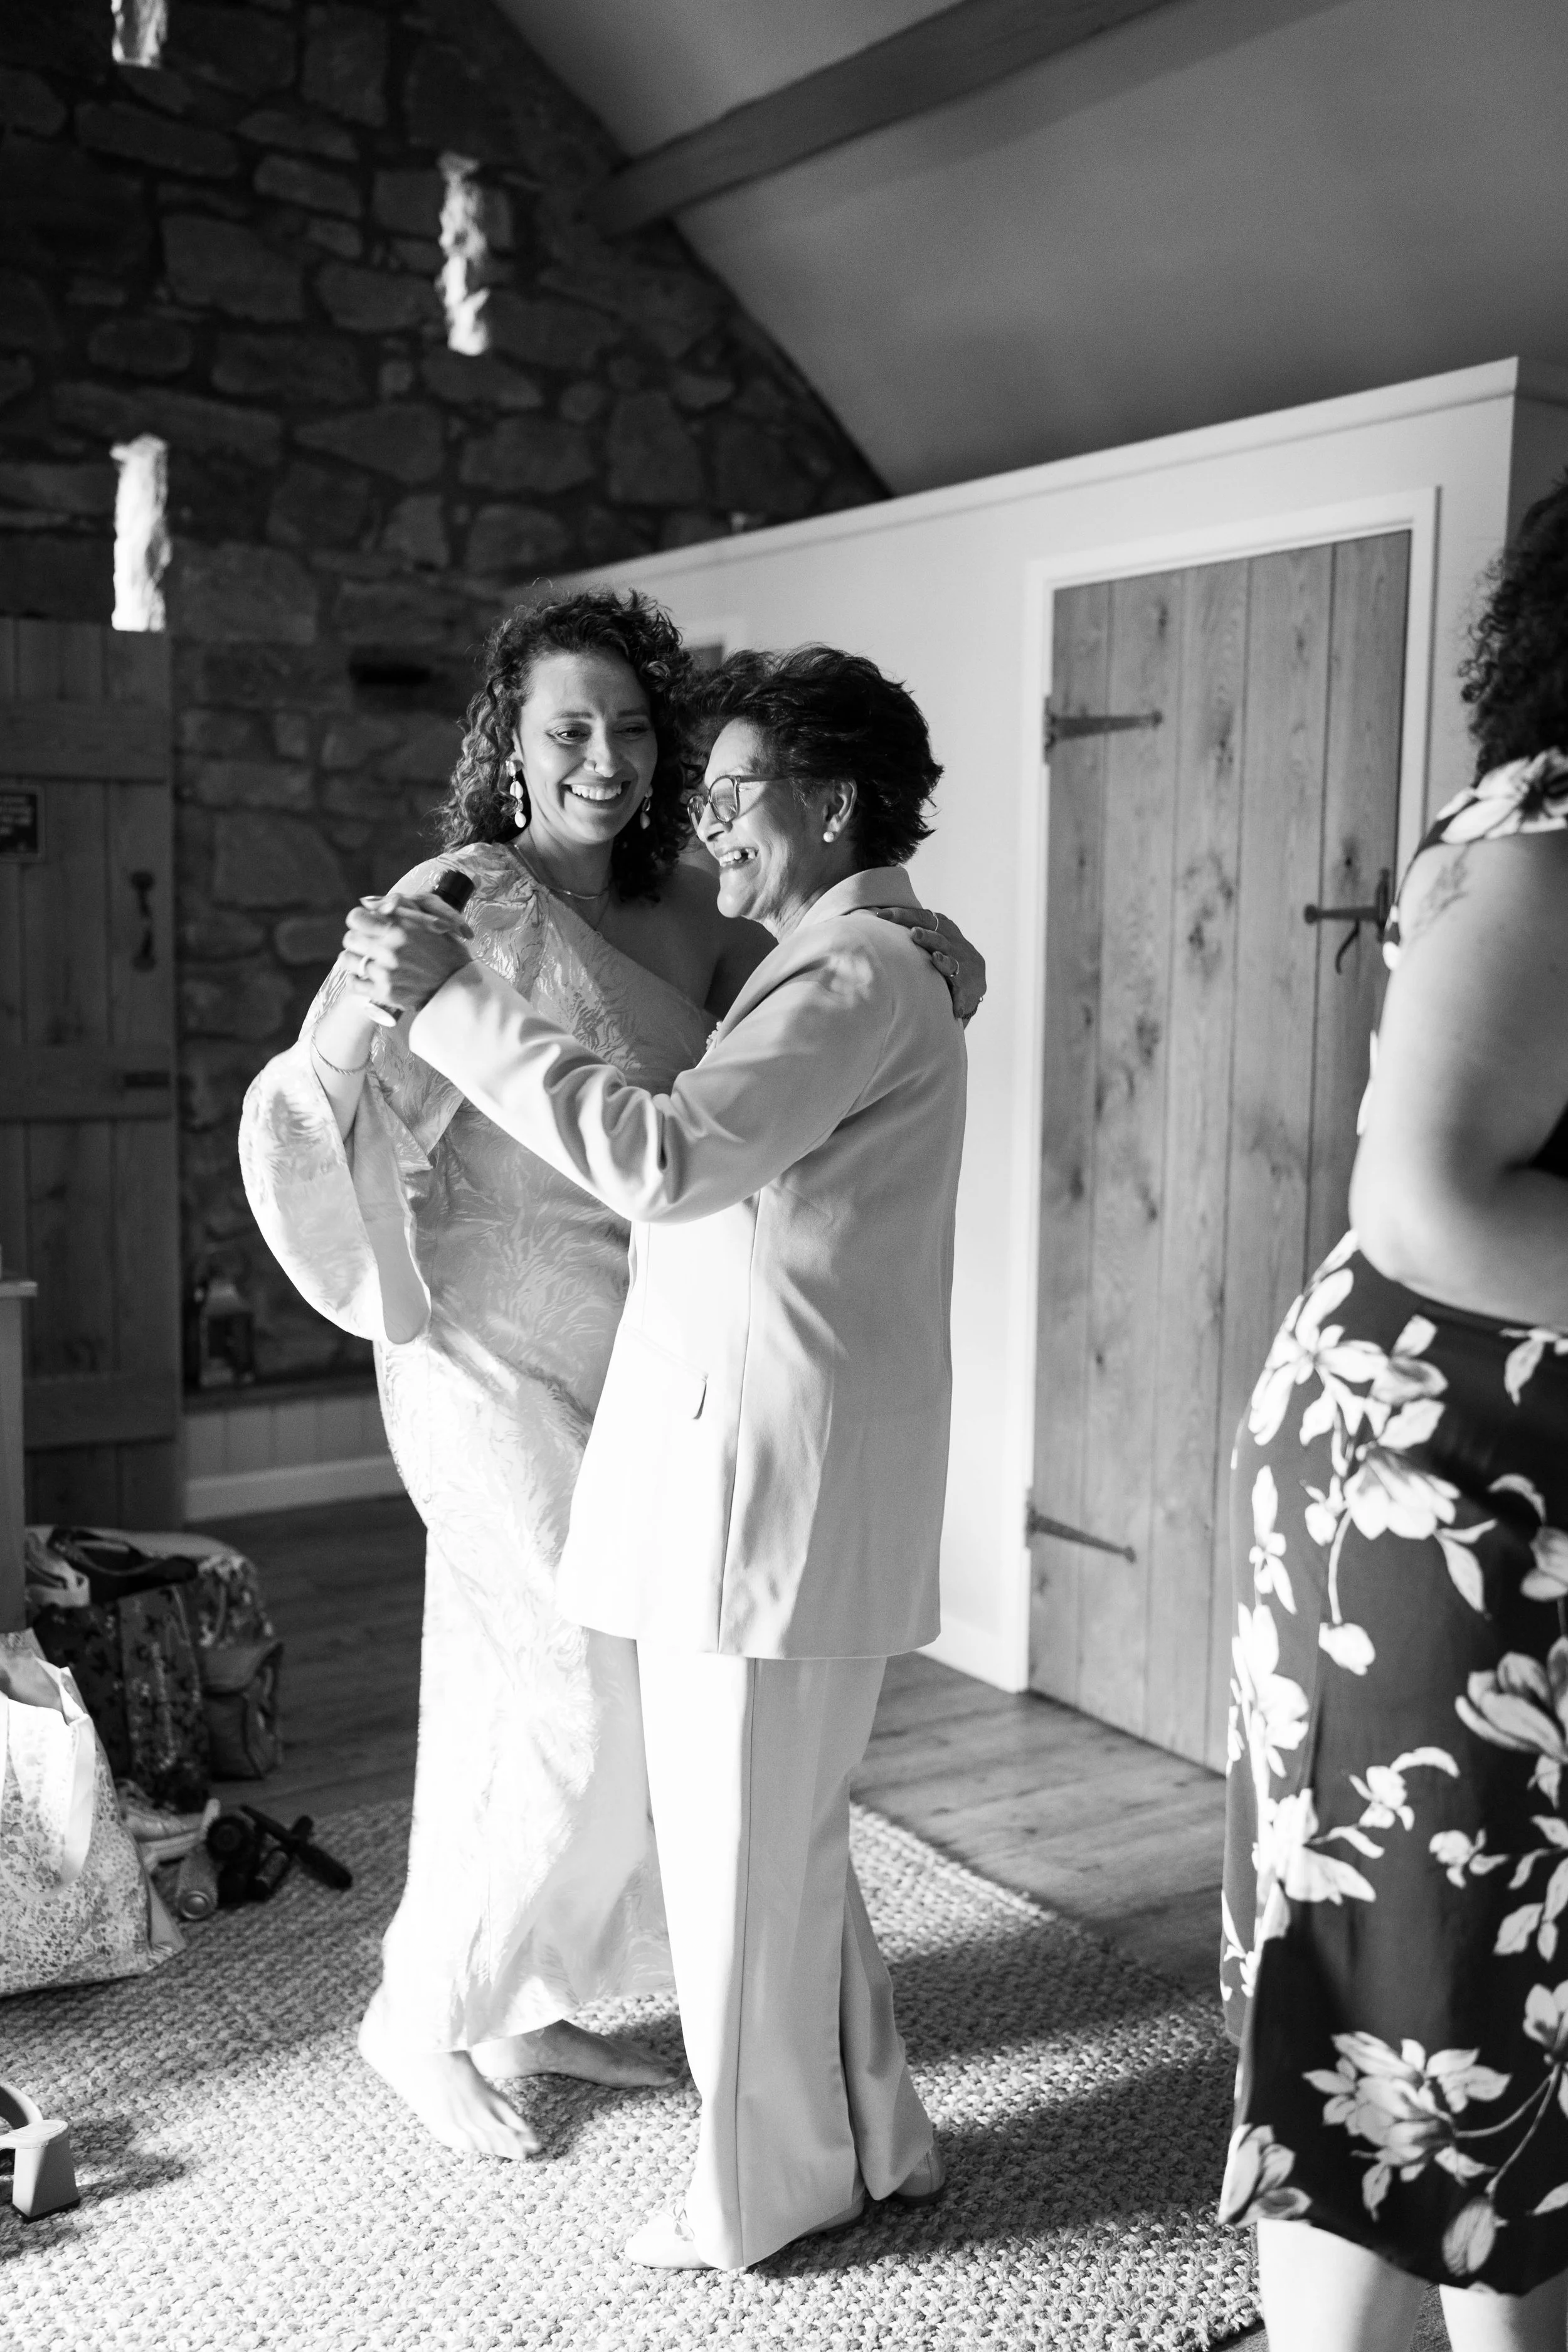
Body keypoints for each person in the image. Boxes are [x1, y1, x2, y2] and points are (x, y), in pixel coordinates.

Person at [240, 590, 985, 2164]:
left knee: (560, 1703)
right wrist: (370, 1011)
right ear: (508, 747)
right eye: (569, 728)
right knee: (574, 1692)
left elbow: (812, 1001)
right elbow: (319, 1097)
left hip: (645, 1350)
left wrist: (929, 938)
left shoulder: (695, 912)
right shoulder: (453, 896)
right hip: (482, 1350)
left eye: (634, 729)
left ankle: (527, 1996)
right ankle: (416, 2012)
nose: (607, 757)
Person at [1218, 479, 1568, 2351]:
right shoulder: (1557, 828)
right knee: (1429, 1982)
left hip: (1494, 1470)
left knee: (1446, 1988)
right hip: (1444, 1493)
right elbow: (1427, 1192)